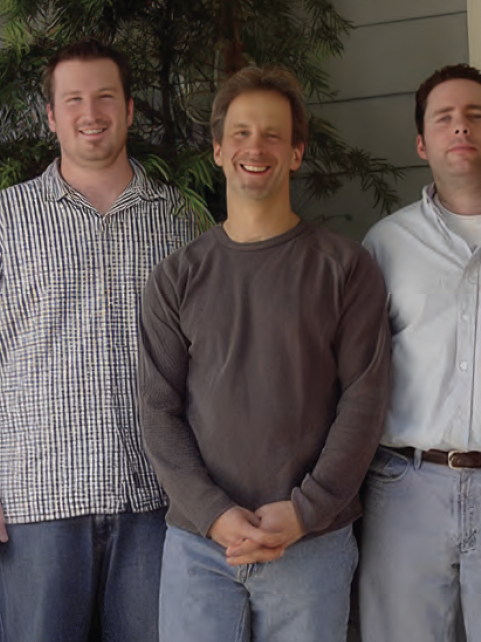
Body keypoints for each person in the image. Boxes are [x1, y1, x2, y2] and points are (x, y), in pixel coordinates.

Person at [0, 39, 198, 642]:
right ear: (51, 116)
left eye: (104, 97)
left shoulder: (178, 221)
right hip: (34, 499)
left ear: (128, 108)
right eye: (73, 99)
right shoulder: (4, 220)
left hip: (154, 496)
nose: (89, 112)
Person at [138, 66, 391, 642]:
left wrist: (306, 510)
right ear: (219, 149)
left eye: (274, 134)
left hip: (312, 544)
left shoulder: (345, 268)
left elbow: (365, 399)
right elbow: (158, 411)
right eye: (243, 133)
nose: (257, 147)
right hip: (200, 547)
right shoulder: (177, 277)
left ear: (297, 153)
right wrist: (213, 513)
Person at [357, 64, 481, 642]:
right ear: (422, 143)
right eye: (443, 119)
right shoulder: (386, 243)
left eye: (476, 115)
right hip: (406, 485)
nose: (460, 128)